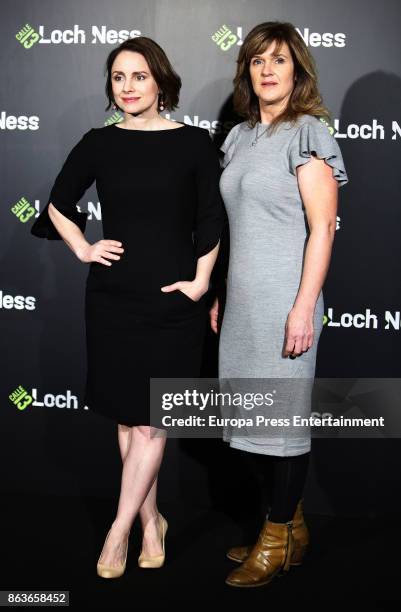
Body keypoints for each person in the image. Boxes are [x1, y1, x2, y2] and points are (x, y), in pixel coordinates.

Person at [31, 36, 224, 579]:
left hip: (171, 303)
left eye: (139, 76)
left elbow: (211, 218)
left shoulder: (193, 144)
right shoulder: (98, 142)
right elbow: (58, 203)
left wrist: (202, 281)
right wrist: (84, 248)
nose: (128, 87)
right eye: (119, 77)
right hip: (113, 299)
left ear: (160, 80)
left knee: (151, 425)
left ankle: (117, 533)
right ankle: (150, 522)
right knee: (127, 419)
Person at [210, 21, 348, 587]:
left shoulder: (309, 132)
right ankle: (288, 527)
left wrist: (302, 307)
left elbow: (323, 230)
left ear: (298, 71)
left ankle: (274, 538)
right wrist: (220, 295)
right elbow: (233, 226)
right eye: (258, 60)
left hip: (286, 303)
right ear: (247, 70)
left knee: (282, 427)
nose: (267, 70)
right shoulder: (240, 137)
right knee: (250, 427)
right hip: (242, 304)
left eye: (280, 61)